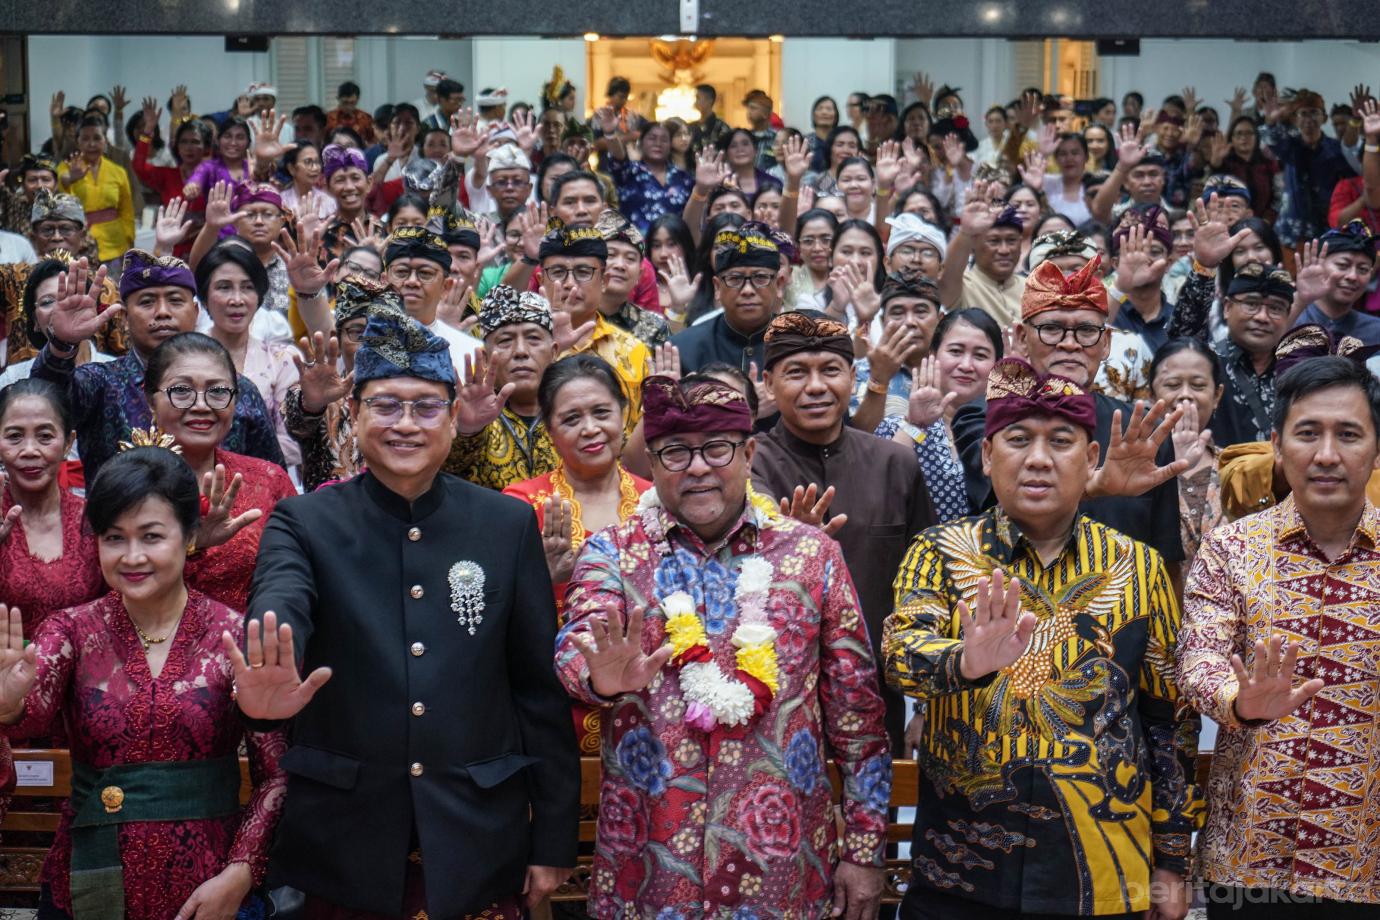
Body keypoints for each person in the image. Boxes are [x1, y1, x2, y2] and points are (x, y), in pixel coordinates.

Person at [232, 306, 578, 917]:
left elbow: (537, 692)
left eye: (425, 406)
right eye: (386, 405)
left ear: (452, 418)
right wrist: (275, 649)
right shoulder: (306, 521)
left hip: (478, 831)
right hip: (346, 838)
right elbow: (282, 596)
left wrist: (552, 838)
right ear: (354, 415)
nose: (406, 425)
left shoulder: (505, 523)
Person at [554, 372, 891, 918]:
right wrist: (598, 678)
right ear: (652, 461)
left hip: (783, 868)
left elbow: (859, 721)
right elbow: (577, 646)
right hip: (649, 869)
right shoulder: (611, 553)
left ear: (750, 451)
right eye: (674, 454)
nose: (698, 467)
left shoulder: (812, 557)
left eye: (716, 448)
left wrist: (864, 851)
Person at [884, 355, 1200, 919]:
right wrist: (965, 660)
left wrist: (1172, 859)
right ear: (986, 454)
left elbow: (1167, 718)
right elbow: (899, 656)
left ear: (1092, 458)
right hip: (961, 874)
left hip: (1101, 878)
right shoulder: (939, 551)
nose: (1037, 459)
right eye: (1017, 439)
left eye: (1060, 441)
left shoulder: (1139, 567)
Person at [0, 445, 288, 920]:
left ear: (189, 535)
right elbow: (27, 710)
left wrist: (240, 873)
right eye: (114, 538)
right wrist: (7, 708)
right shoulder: (70, 630)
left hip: (207, 888)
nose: (132, 557)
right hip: (87, 876)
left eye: (151, 536)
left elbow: (276, 775)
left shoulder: (234, 636)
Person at [1178, 355, 1380, 917]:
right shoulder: (1231, 550)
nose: (1326, 455)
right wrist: (1238, 700)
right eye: (1308, 433)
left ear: (1376, 448)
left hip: (1365, 865)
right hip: (1247, 863)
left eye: (1349, 435)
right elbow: (1197, 662)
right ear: (1276, 443)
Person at [750, 309, 935, 748]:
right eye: (796, 372)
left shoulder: (896, 464)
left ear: (852, 378)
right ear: (771, 384)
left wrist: (927, 707)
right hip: (772, 697)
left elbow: (930, 591)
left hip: (875, 694)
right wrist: (790, 550)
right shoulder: (748, 465)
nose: (816, 387)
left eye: (830, 370)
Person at [949, 256, 1188, 572]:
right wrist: (1090, 489)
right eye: (1051, 329)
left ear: (1106, 344)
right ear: (1022, 338)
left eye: (1086, 331)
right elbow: (1000, 502)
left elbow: (1166, 562)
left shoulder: (1140, 430)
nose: (1070, 344)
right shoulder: (984, 417)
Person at [502, 354, 651, 752]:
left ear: (625, 414)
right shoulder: (519, 505)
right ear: (550, 430)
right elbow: (494, 620)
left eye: (601, 412)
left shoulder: (656, 501)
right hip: (553, 702)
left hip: (650, 698)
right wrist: (544, 581)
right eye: (571, 419)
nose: (590, 429)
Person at [32, 253, 285, 480]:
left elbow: (272, 479)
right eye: (147, 302)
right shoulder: (100, 381)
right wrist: (62, 345)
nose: (162, 312)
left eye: (175, 301)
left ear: (196, 312)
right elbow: (42, 404)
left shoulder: (235, 388)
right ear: (125, 318)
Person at [142, 332, 295, 611]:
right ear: (151, 402)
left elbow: (296, 579)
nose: (201, 406)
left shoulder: (269, 481)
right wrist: (189, 548)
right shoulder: (126, 483)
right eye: (181, 391)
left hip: (249, 647)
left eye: (217, 392)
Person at [1169, 200, 1297, 444]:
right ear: (1227, 307)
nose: (1261, 316)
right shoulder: (1208, 364)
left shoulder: (1299, 371)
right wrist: (1205, 267)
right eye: (1251, 305)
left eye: (1275, 308)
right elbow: (1180, 339)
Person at [0, 378, 104, 633]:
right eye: (14, 437)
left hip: (87, 668)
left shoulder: (95, 518)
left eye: (45, 437)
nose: (30, 450)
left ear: (69, 443)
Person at [194, 241, 301, 468]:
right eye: (224, 287)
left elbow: (291, 441)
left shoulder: (282, 360)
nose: (237, 299)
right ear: (204, 297)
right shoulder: (183, 358)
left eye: (247, 287)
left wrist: (238, 466)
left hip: (264, 481)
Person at [444, 284, 560, 489]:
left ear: (554, 352)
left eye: (533, 339)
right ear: (486, 358)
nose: (521, 351)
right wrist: (467, 430)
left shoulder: (572, 414)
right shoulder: (466, 415)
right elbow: (444, 474)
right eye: (505, 341)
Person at [537, 222, 648, 434]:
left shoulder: (633, 351)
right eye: (558, 272)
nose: (569, 283)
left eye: (583, 271)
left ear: (604, 280)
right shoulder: (519, 347)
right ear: (541, 280)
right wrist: (547, 346)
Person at [2, 193, 127, 366]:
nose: (57, 237)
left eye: (65, 229)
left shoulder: (104, 286)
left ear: (81, 234)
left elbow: (122, 349)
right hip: (24, 384)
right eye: (47, 230)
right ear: (34, 235)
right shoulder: (12, 278)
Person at [670, 222, 782, 377]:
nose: (747, 290)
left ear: (779, 285)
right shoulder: (684, 349)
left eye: (760, 278)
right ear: (717, 287)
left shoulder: (799, 342)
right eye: (735, 279)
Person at [1150, 337, 1224, 562]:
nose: (1185, 394)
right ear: (1150, 395)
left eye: (1198, 385)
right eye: (1172, 385)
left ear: (1217, 396)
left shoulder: (1237, 466)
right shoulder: (1131, 466)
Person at [851, 270, 944, 434]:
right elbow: (856, 441)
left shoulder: (957, 370)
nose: (909, 322)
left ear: (940, 319)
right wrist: (879, 381)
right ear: (882, 321)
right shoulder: (861, 372)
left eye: (921, 311)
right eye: (897, 313)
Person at [381, 225, 485, 370]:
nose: (412, 281)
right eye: (401, 272)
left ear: (445, 286)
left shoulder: (473, 353)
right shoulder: (357, 337)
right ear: (384, 281)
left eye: (425, 273)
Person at [1262, 89, 1357, 246]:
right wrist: (1271, 121)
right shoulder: (1289, 145)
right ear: (1295, 119)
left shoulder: (1335, 149)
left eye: (1314, 112)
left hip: (1326, 229)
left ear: (1324, 118)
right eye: (1303, 113)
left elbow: (1353, 179)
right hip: (1291, 232)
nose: (1308, 118)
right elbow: (1272, 139)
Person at [56, 114, 135, 273]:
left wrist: (129, 239)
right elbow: (60, 194)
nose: (91, 144)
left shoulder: (118, 171)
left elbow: (126, 210)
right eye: (85, 138)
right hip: (81, 244)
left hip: (115, 245)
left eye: (97, 138)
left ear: (105, 141)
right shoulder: (66, 168)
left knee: (114, 294)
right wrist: (70, 178)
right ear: (77, 141)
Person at [938, 185, 1025, 327]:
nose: (1004, 250)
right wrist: (965, 232)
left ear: (1021, 243)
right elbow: (946, 281)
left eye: (1011, 241)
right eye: (994, 241)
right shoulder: (964, 285)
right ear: (973, 245)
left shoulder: (1033, 287)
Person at [595, 112, 692, 235]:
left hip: (672, 248)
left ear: (670, 145)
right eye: (652, 138)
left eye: (664, 140)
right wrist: (610, 134)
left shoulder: (684, 178)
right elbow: (618, 157)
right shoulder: (628, 172)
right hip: (634, 248)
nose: (658, 143)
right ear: (641, 142)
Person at [1293, 220, 1380, 345]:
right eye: (1342, 265)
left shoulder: (1375, 331)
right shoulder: (1290, 319)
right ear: (1319, 265)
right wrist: (1299, 301)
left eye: (1363, 269)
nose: (1353, 276)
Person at [593, 209, 670, 347]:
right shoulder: (570, 319)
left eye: (630, 258)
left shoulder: (655, 328)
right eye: (610, 255)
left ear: (639, 275)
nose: (620, 265)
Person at [325, 80, 375, 145]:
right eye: (345, 103)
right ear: (338, 99)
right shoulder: (328, 118)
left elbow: (372, 141)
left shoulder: (366, 118)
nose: (348, 107)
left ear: (357, 99)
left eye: (352, 103)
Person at [689, 83, 729, 155]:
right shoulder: (691, 127)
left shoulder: (722, 128)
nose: (695, 102)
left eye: (698, 98)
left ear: (709, 100)